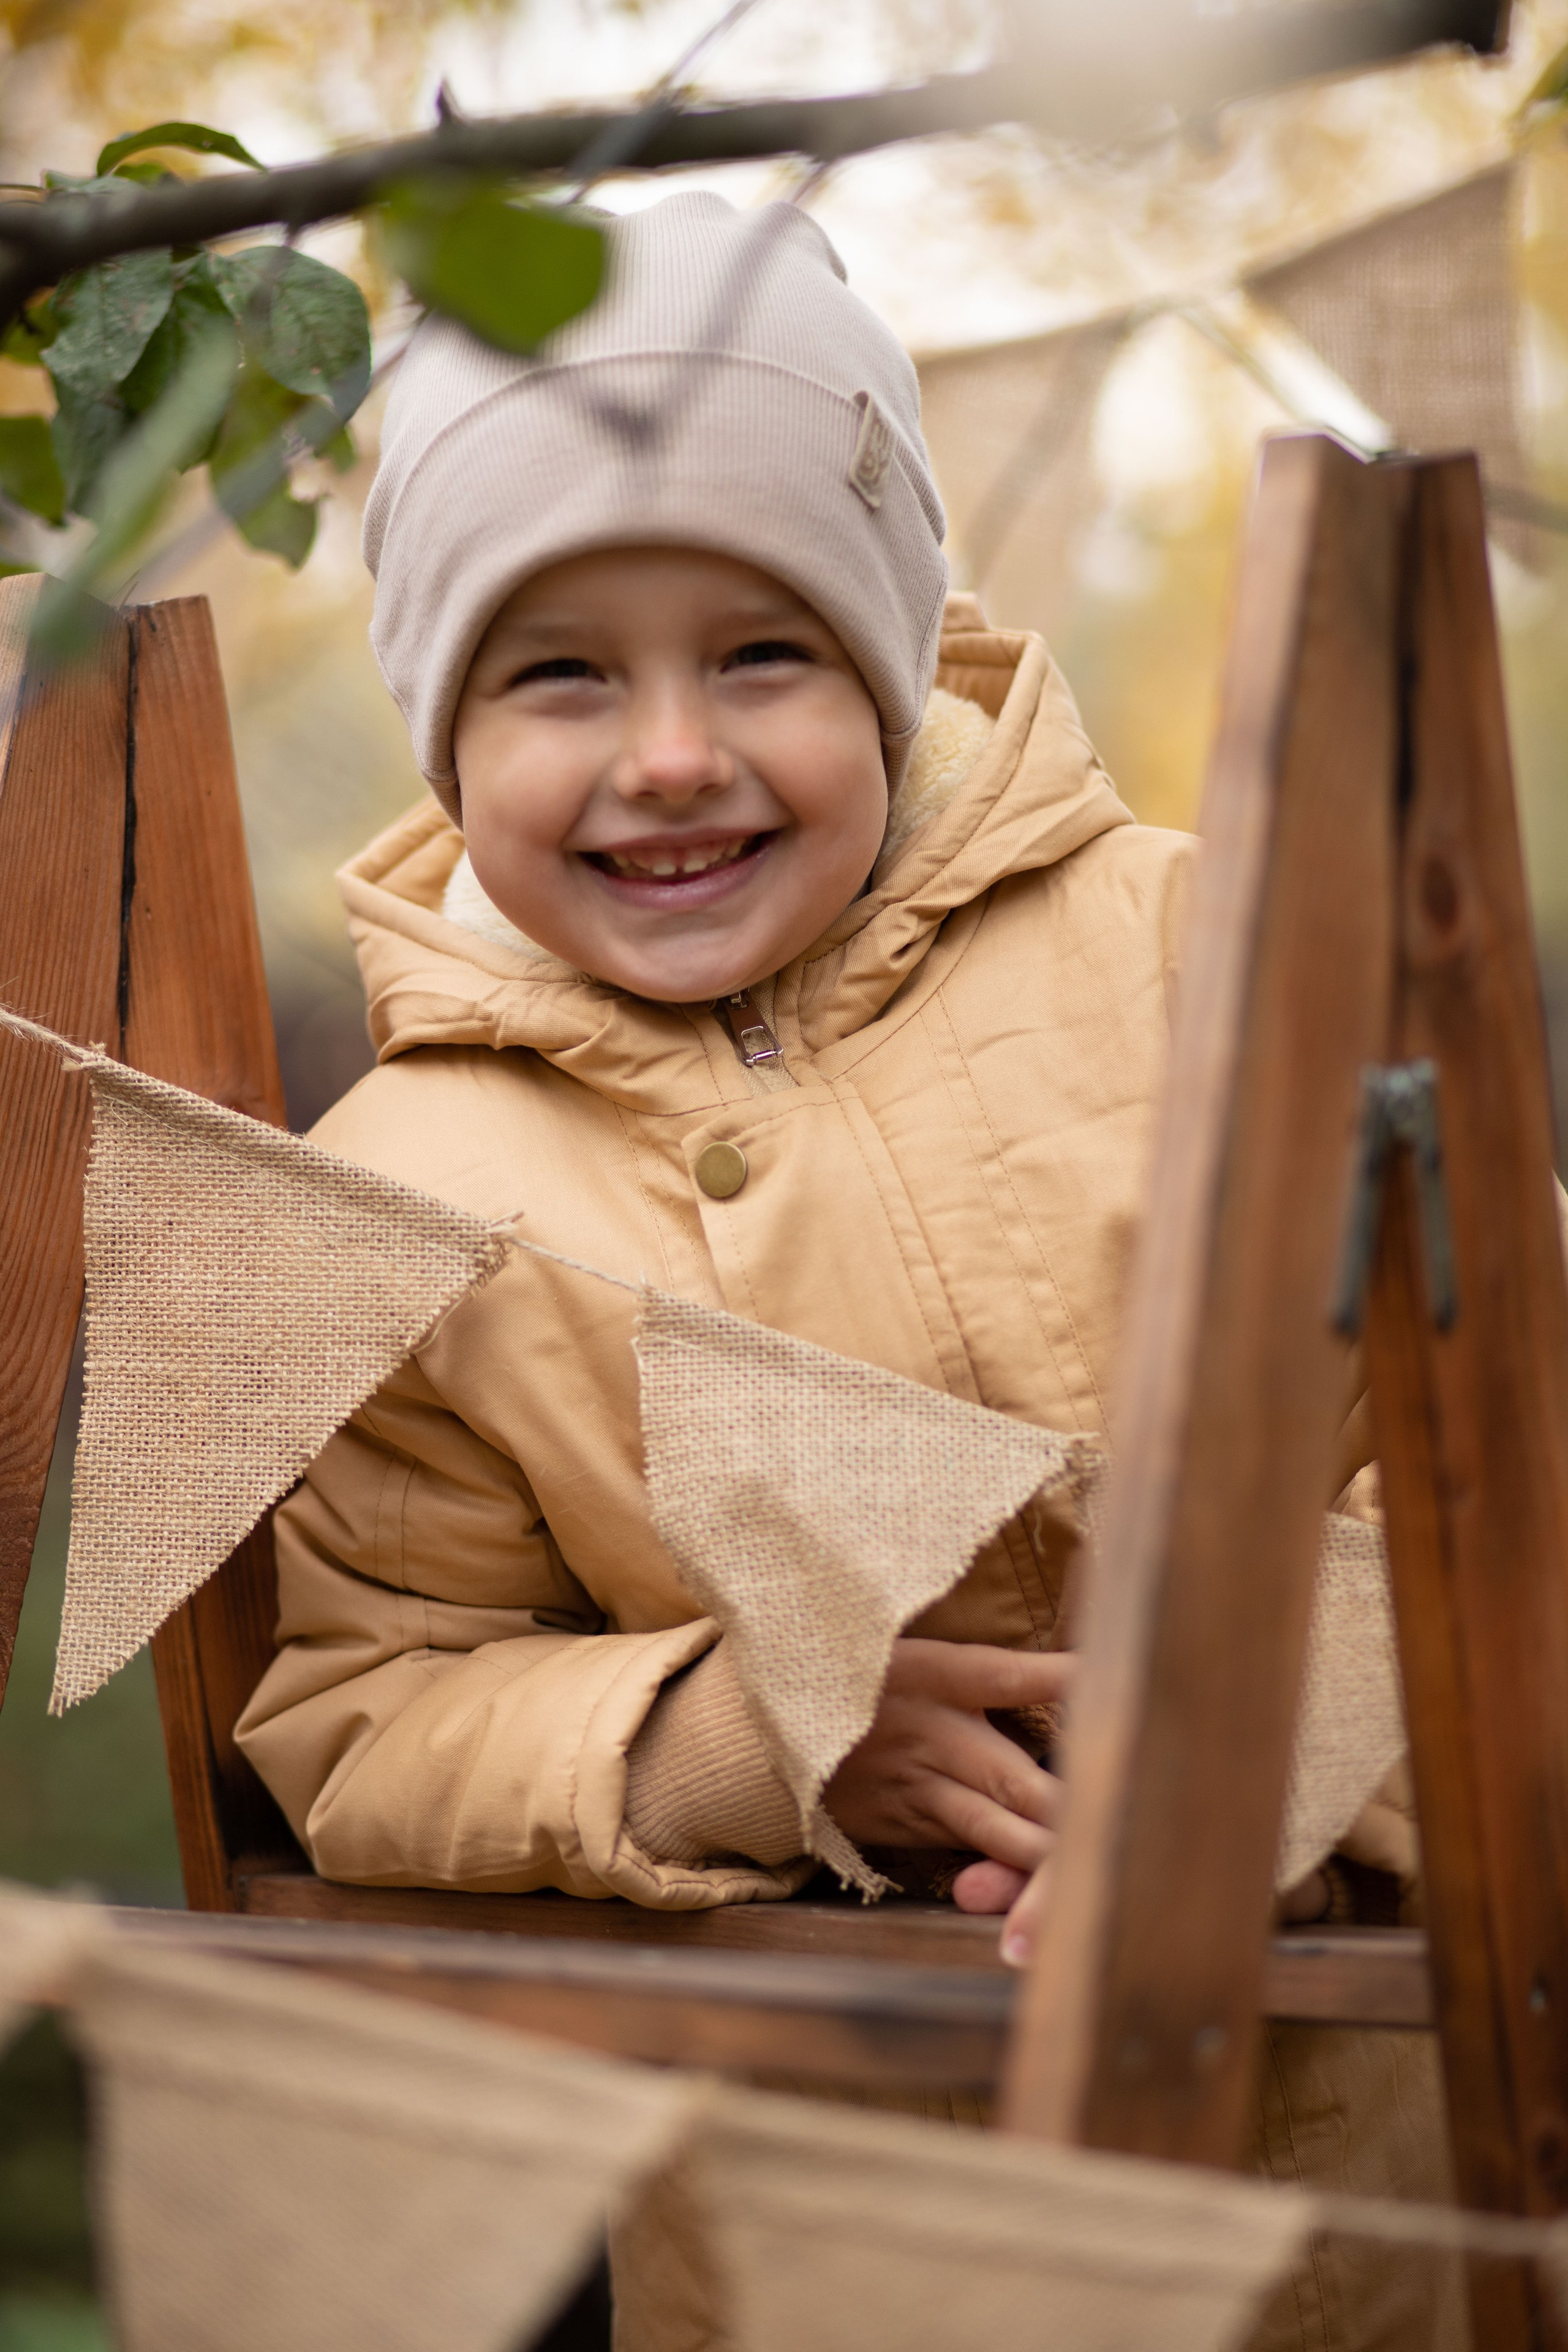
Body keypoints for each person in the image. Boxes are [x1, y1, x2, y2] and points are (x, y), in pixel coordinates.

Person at [235, 192, 1453, 2350]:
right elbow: (364, 1709)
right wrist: (744, 1734)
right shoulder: (408, 1188)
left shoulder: (1204, 949)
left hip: (1383, 2187)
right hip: (833, 2254)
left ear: (894, 659)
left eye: (765, 650)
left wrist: (1268, 1741)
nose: (676, 751)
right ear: (449, 732)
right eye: (562, 674)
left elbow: (1486, 1448)